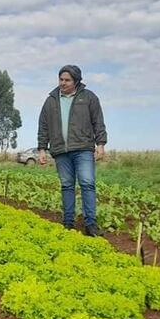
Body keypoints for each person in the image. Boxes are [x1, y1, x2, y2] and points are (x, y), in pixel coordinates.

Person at [37, 64, 107, 236]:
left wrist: (101, 144)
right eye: (61, 79)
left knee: (87, 184)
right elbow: (43, 126)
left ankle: (90, 225)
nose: (63, 83)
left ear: (76, 81)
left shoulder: (89, 98)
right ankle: (68, 223)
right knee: (67, 186)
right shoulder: (51, 100)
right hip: (60, 150)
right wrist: (42, 149)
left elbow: (98, 121)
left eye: (67, 80)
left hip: (83, 148)